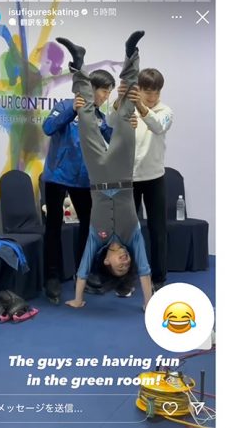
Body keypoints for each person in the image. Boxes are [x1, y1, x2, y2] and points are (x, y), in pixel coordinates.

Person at [56, 30, 153, 310]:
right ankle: (131, 55)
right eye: (127, 264)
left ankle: (78, 63)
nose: (125, 261)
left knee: (85, 117)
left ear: (107, 262)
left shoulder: (95, 238)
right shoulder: (133, 235)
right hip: (122, 172)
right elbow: (144, 269)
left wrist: (77, 299)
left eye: (119, 266)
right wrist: (148, 302)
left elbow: (83, 268)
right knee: (125, 112)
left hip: (97, 173)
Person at [41, 69, 117, 304]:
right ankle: (51, 277)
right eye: (104, 91)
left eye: (109, 92)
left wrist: (122, 125)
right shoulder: (65, 105)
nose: (106, 96)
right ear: (92, 88)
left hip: (82, 180)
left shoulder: (98, 116)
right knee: (53, 227)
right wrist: (72, 110)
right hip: (56, 176)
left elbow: (113, 139)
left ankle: (82, 273)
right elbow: (48, 127)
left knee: (87, 226)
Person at [109, 68, 173, 291]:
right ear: (139, 89)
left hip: (155, 178)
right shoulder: (129, 106)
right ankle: (126, 280)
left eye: (156, 92)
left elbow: (157, 126)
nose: (152, 97)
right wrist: (120, 99)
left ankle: (159, 278)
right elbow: (110, 121)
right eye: (147, 92)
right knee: (126, 232)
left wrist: (141, 107)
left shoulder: (165, 111)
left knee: (157, 230)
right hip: (129, 178)